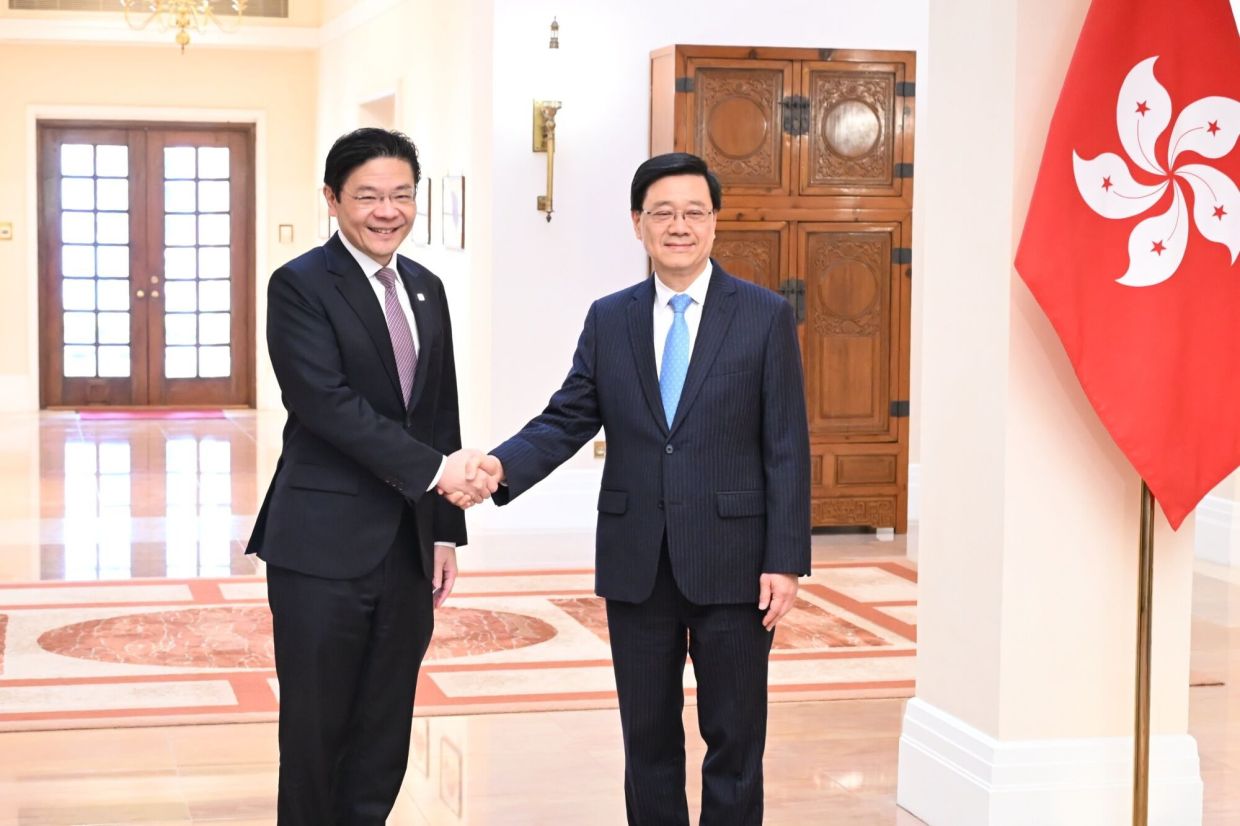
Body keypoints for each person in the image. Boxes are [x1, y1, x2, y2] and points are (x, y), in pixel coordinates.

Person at [454, 152, 811, 825]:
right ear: (637, 223)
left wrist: (785, 558)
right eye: (663, 213)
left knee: (735, 740)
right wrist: (500, 468)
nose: (679, 225)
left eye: (694, 212)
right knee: (646, 739)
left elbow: (787, 445)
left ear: (715, 224)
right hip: (636, 562)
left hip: (736, 564)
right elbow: (568, 416)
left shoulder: (763, 316)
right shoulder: (610, 318)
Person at [247, 128, 497, 825]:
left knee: (385, 727)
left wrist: (446, 533)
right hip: (321, 545)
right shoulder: (299, 285)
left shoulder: (425, 287)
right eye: (367, 196)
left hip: (408, 547)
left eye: (400, 195)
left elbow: (437, 411)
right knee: (316, 729)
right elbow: (324, 404)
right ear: (332, 199)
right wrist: (437, 471)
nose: (387, 211)